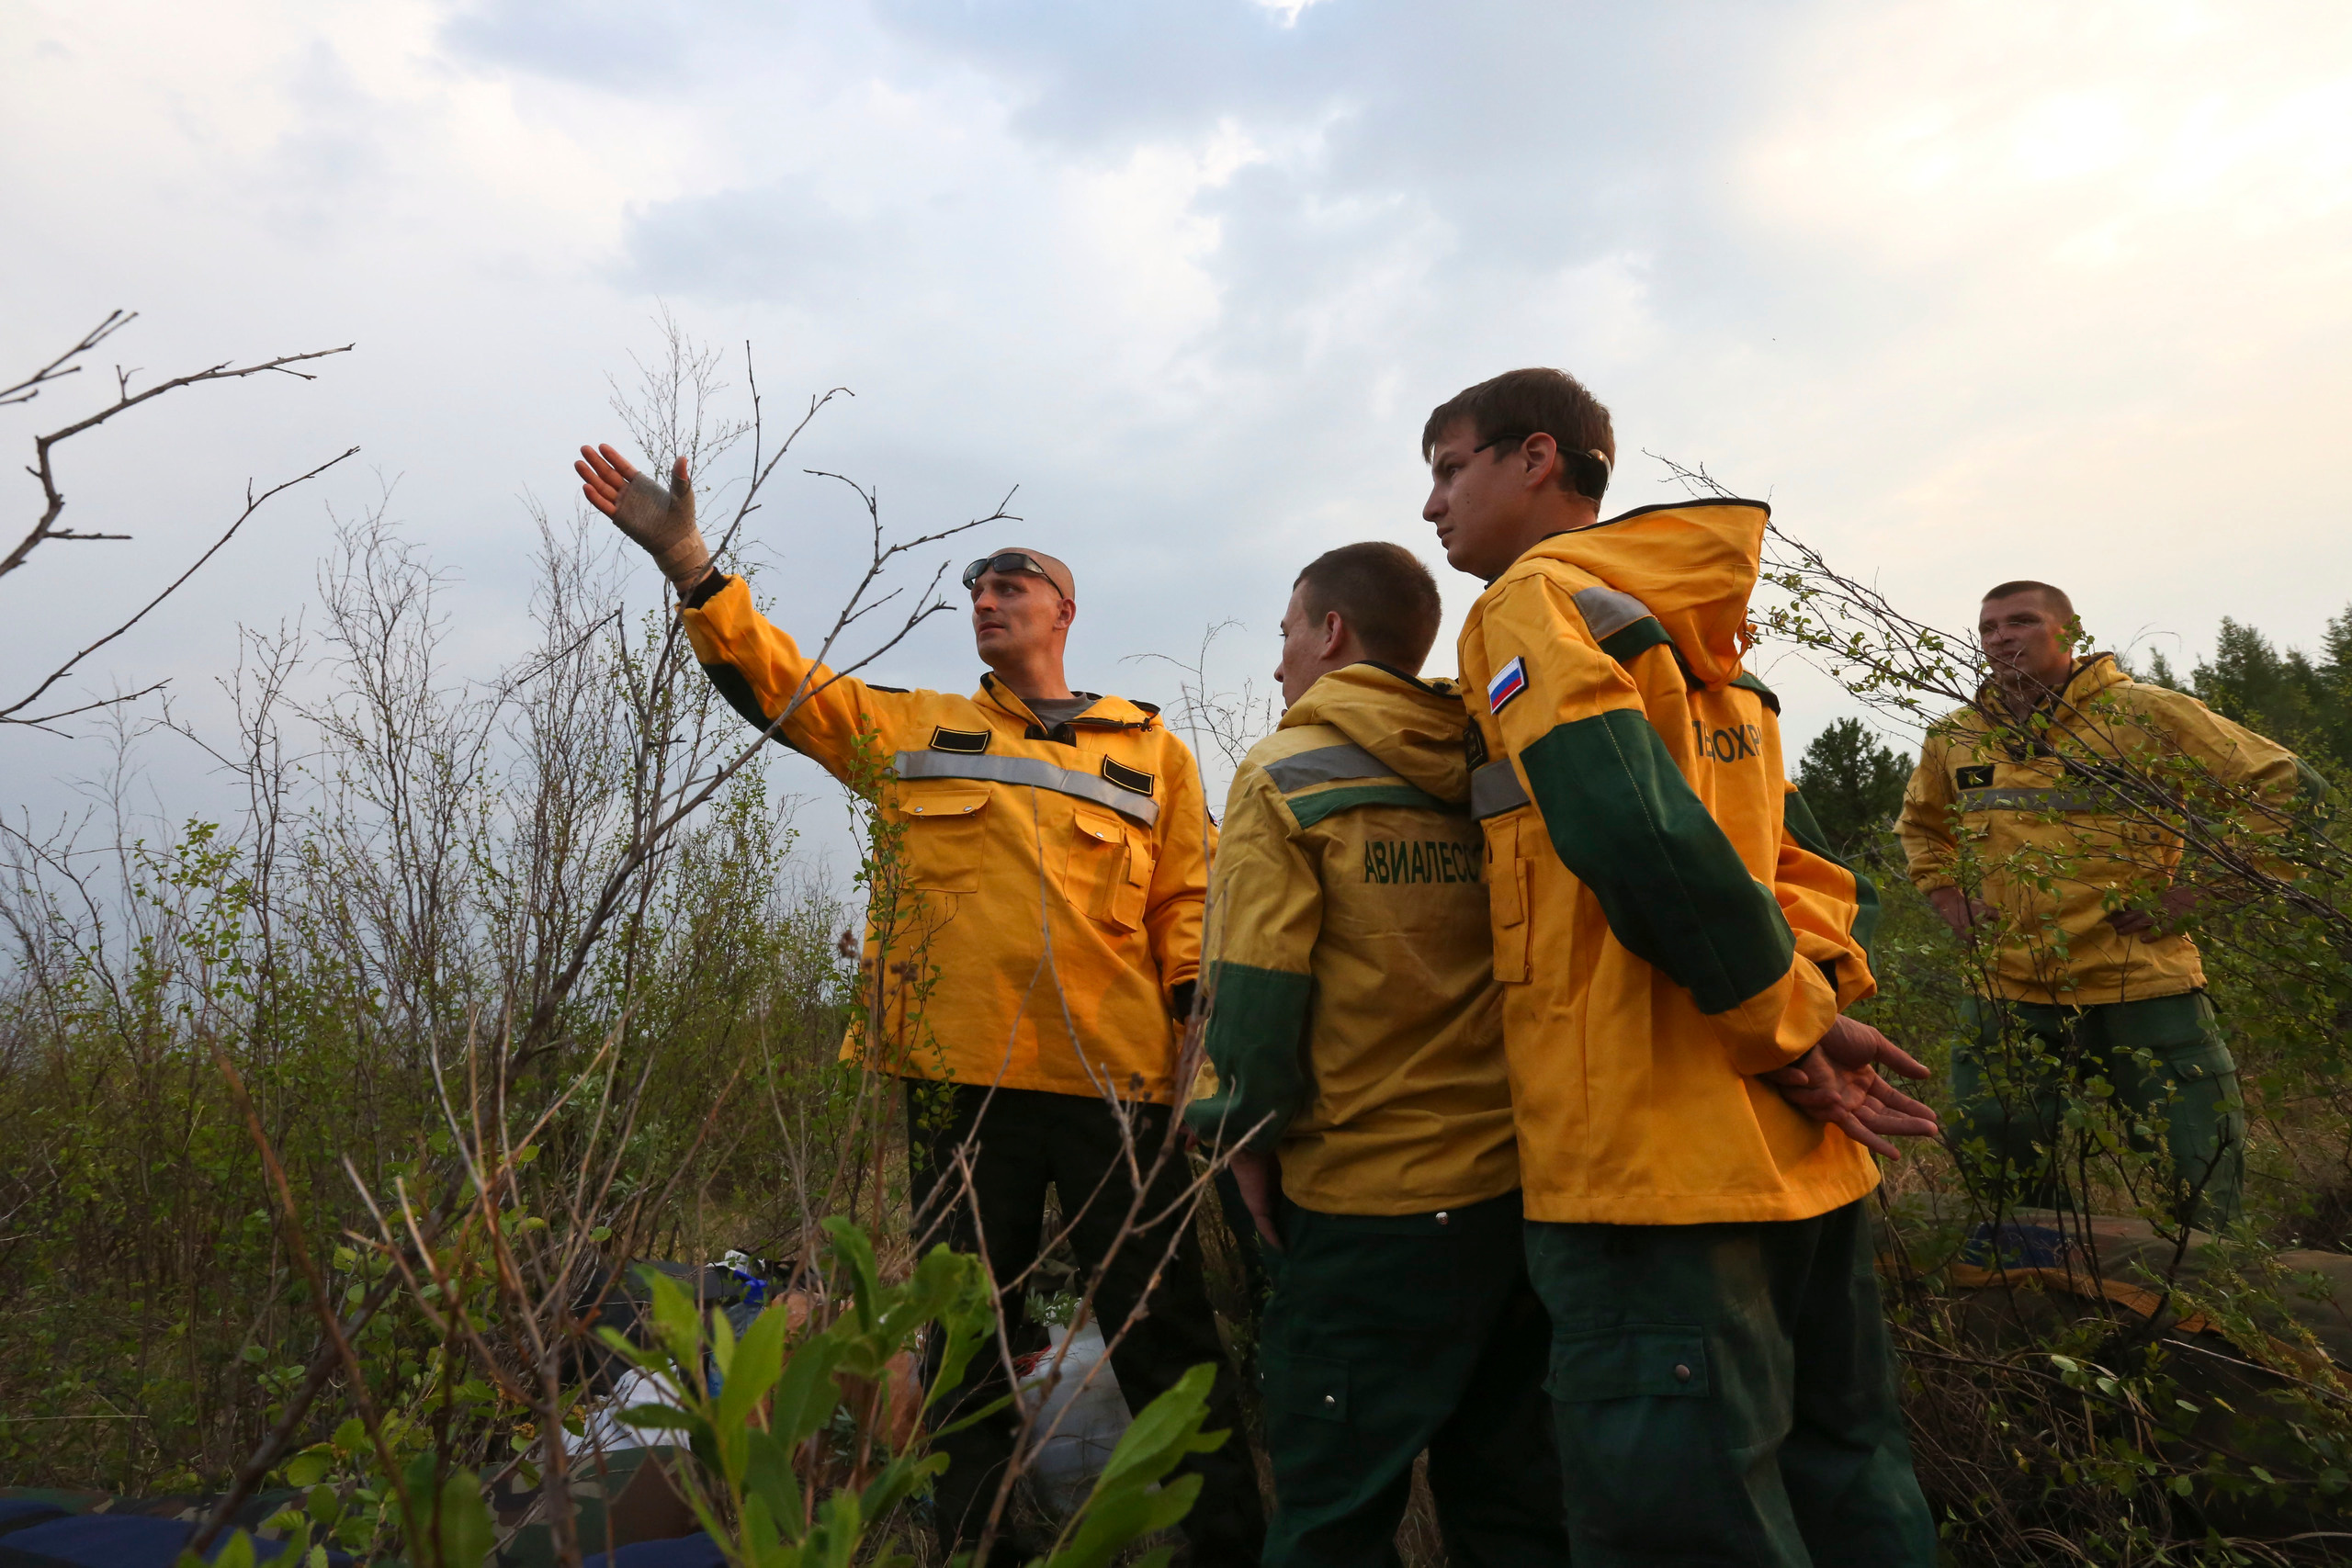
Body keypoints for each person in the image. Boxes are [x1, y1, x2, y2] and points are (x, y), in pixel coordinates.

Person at [571, 444, 1263, 1566]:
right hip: (959, 1088)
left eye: (1010, 583)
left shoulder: (1153, 754)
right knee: (964, 1351)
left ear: (1064, 610)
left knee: (1166, 1336)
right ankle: (980, 1546)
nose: (985, 598)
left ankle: (1230, 1548)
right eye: (975, 589)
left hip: (1116, 1090)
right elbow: (784, 690)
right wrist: (690, 561)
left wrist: (1197, 1058)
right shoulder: (920, 731)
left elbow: (1191, 911)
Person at [1425, 367, 1939, 1566]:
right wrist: (1810, 1012)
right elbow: (1807, 870)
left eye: (1450, 468)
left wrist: (1792, 1032)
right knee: (1851, 1480)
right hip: (1801, 1161)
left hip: (1651, 1169)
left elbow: (1629, 826)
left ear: (1537, 456)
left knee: (1685, 1519)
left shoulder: (1531, 606)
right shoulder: (1711, 644)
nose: (1435, 506)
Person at [1184, 541, 1572, 1567]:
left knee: (1331, 1513)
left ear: (1331, 634)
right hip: (1514, 1196)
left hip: (1365, 1208)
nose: (1276, 667)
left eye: (1283, 636)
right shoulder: (1494, 758)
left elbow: (1259, 1003)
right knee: (1513, 1502)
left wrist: (1240, 1140)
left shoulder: (1282, 775)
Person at [1898, 581, 2315, 1231]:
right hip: (2010, 987)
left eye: (2021, 621)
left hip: (2142, 980)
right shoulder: (1958, 734)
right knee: (1994, 1144)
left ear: (2067, 632)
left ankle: (2213, 1302)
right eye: (1989, 627)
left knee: (2199, 1161)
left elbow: (2288, 786)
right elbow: (1923, 824)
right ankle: (2048, 1292)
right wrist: (1947, 893)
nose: (2001, 636)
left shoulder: (2143, 713)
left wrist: (2202, 892)